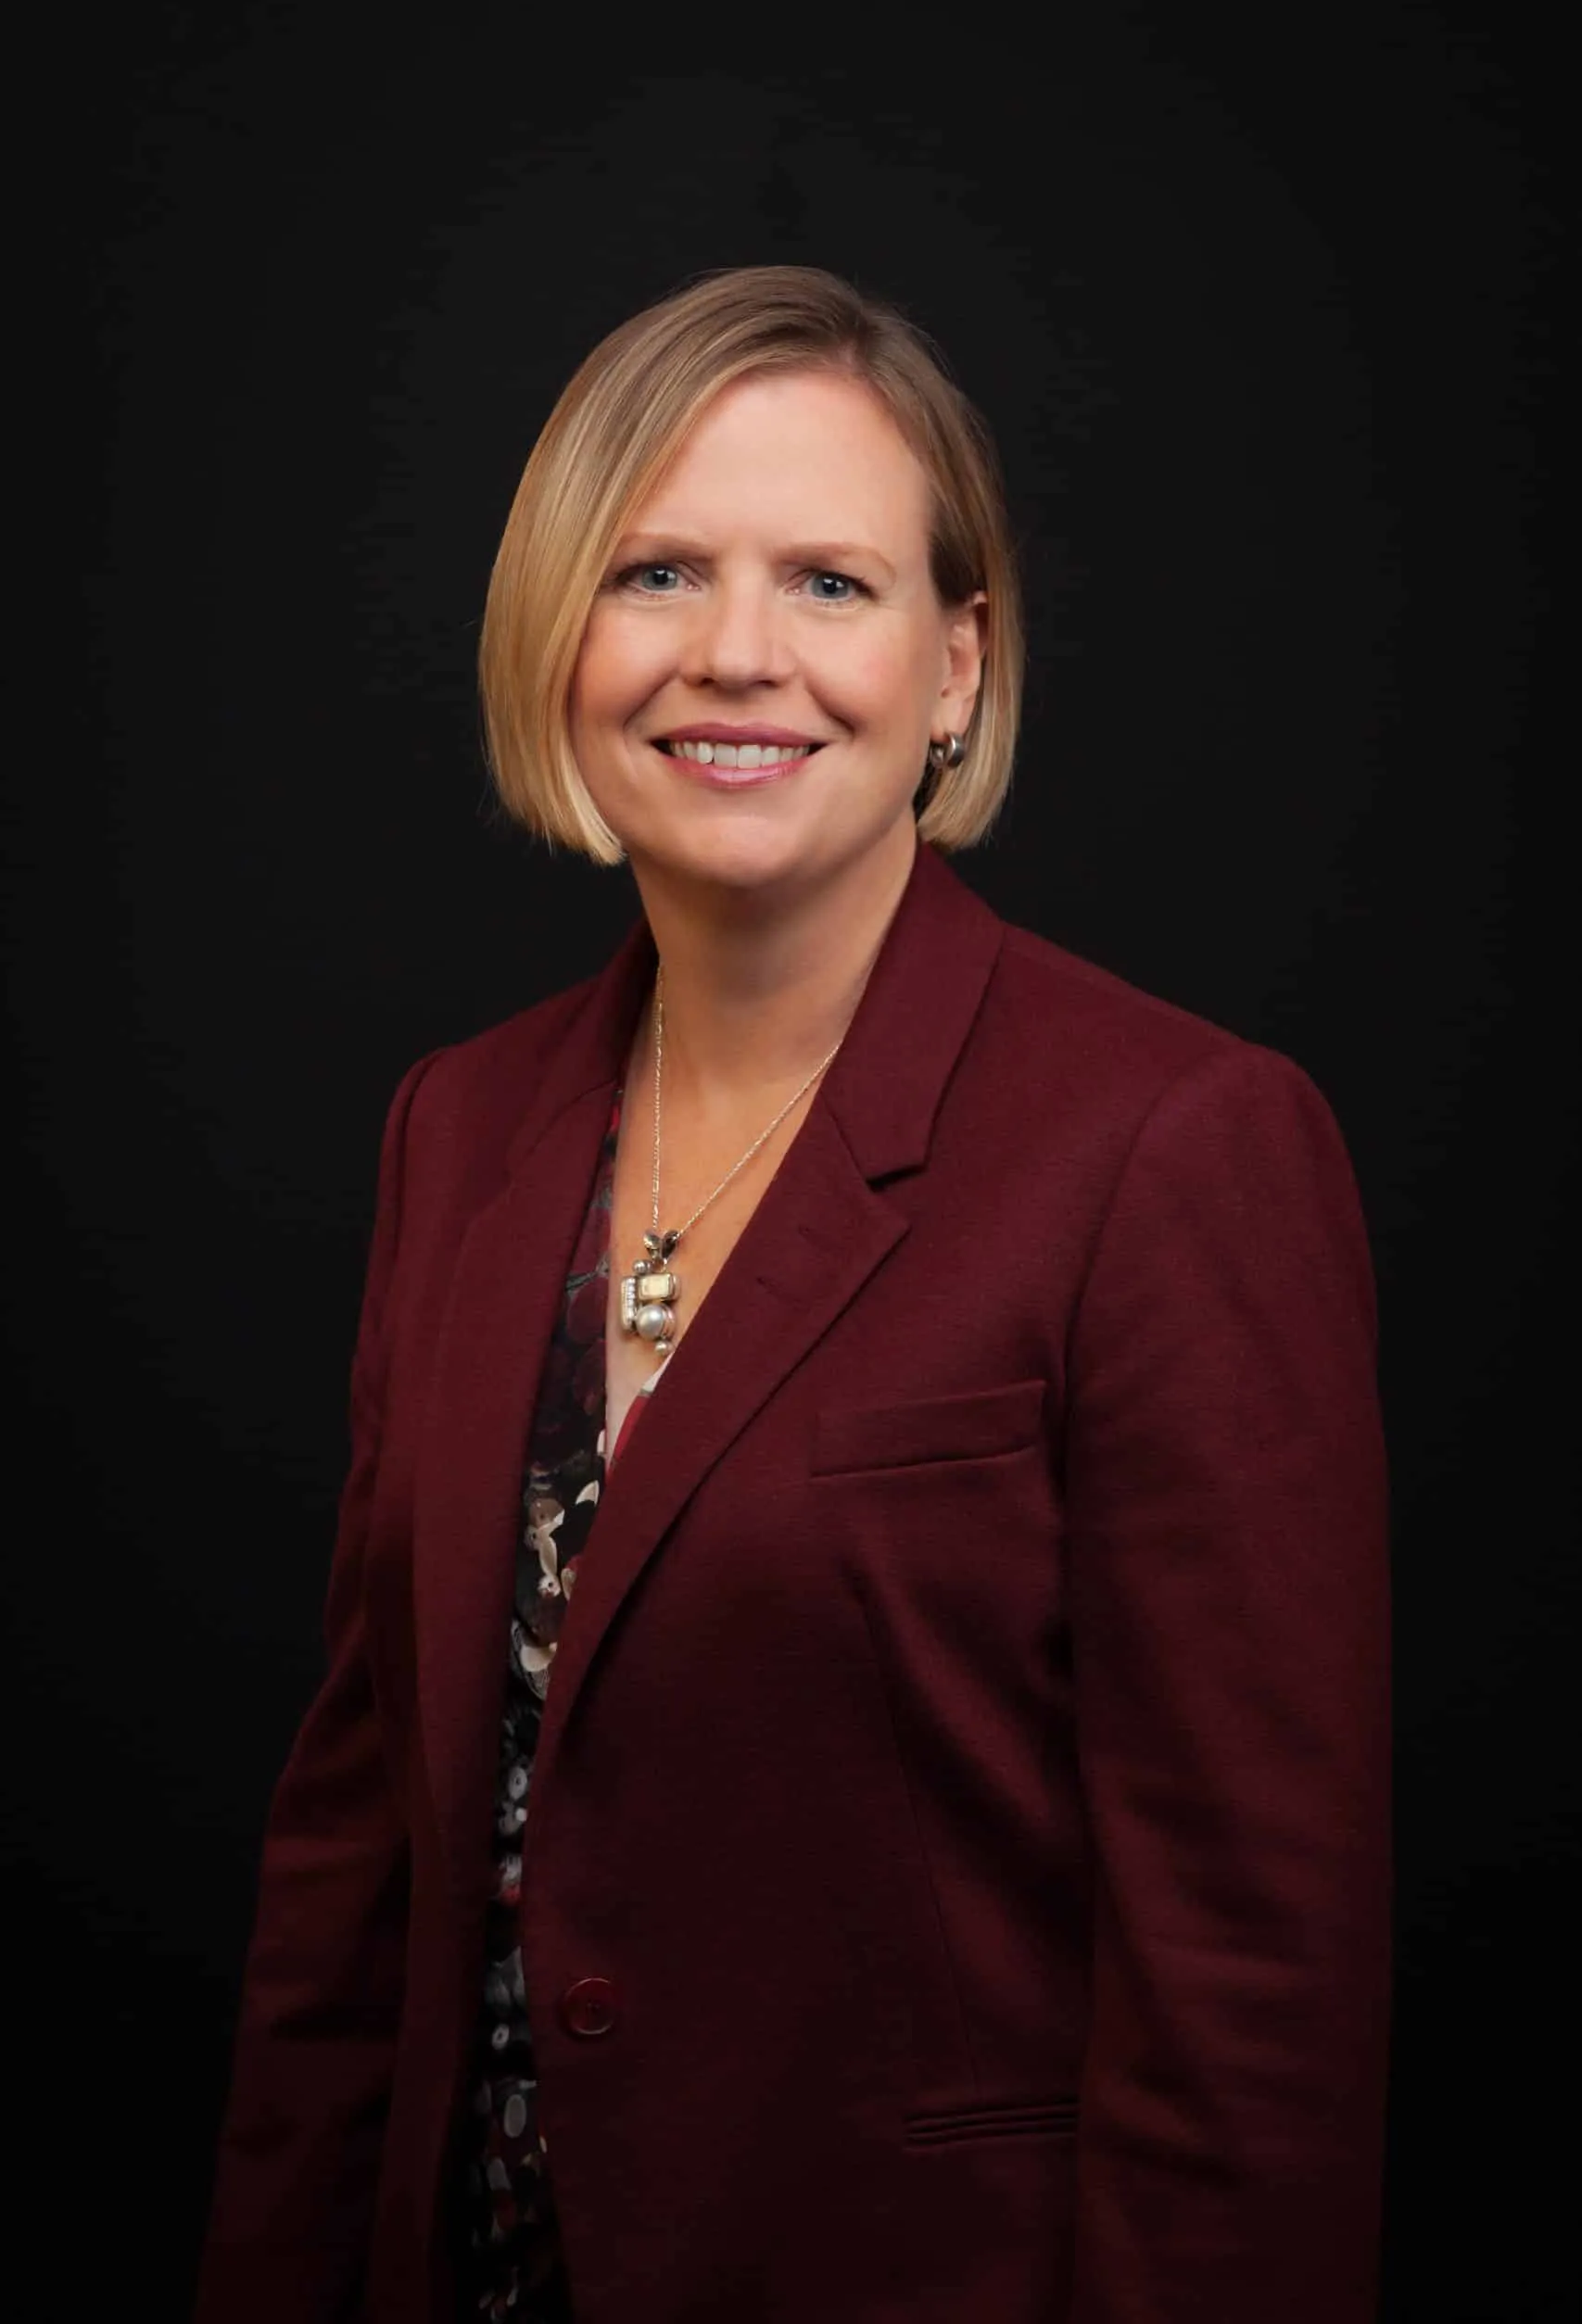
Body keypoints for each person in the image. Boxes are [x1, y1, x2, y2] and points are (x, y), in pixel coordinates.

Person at [195, 266, 1391, 2324]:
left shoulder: (1178, 1142)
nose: (734, 654)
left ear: (956, 664)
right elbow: (351, 1882)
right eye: (655, 569)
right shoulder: (457, 1128)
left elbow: (1251, 1979)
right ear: (556, 634)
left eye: (829, 582)